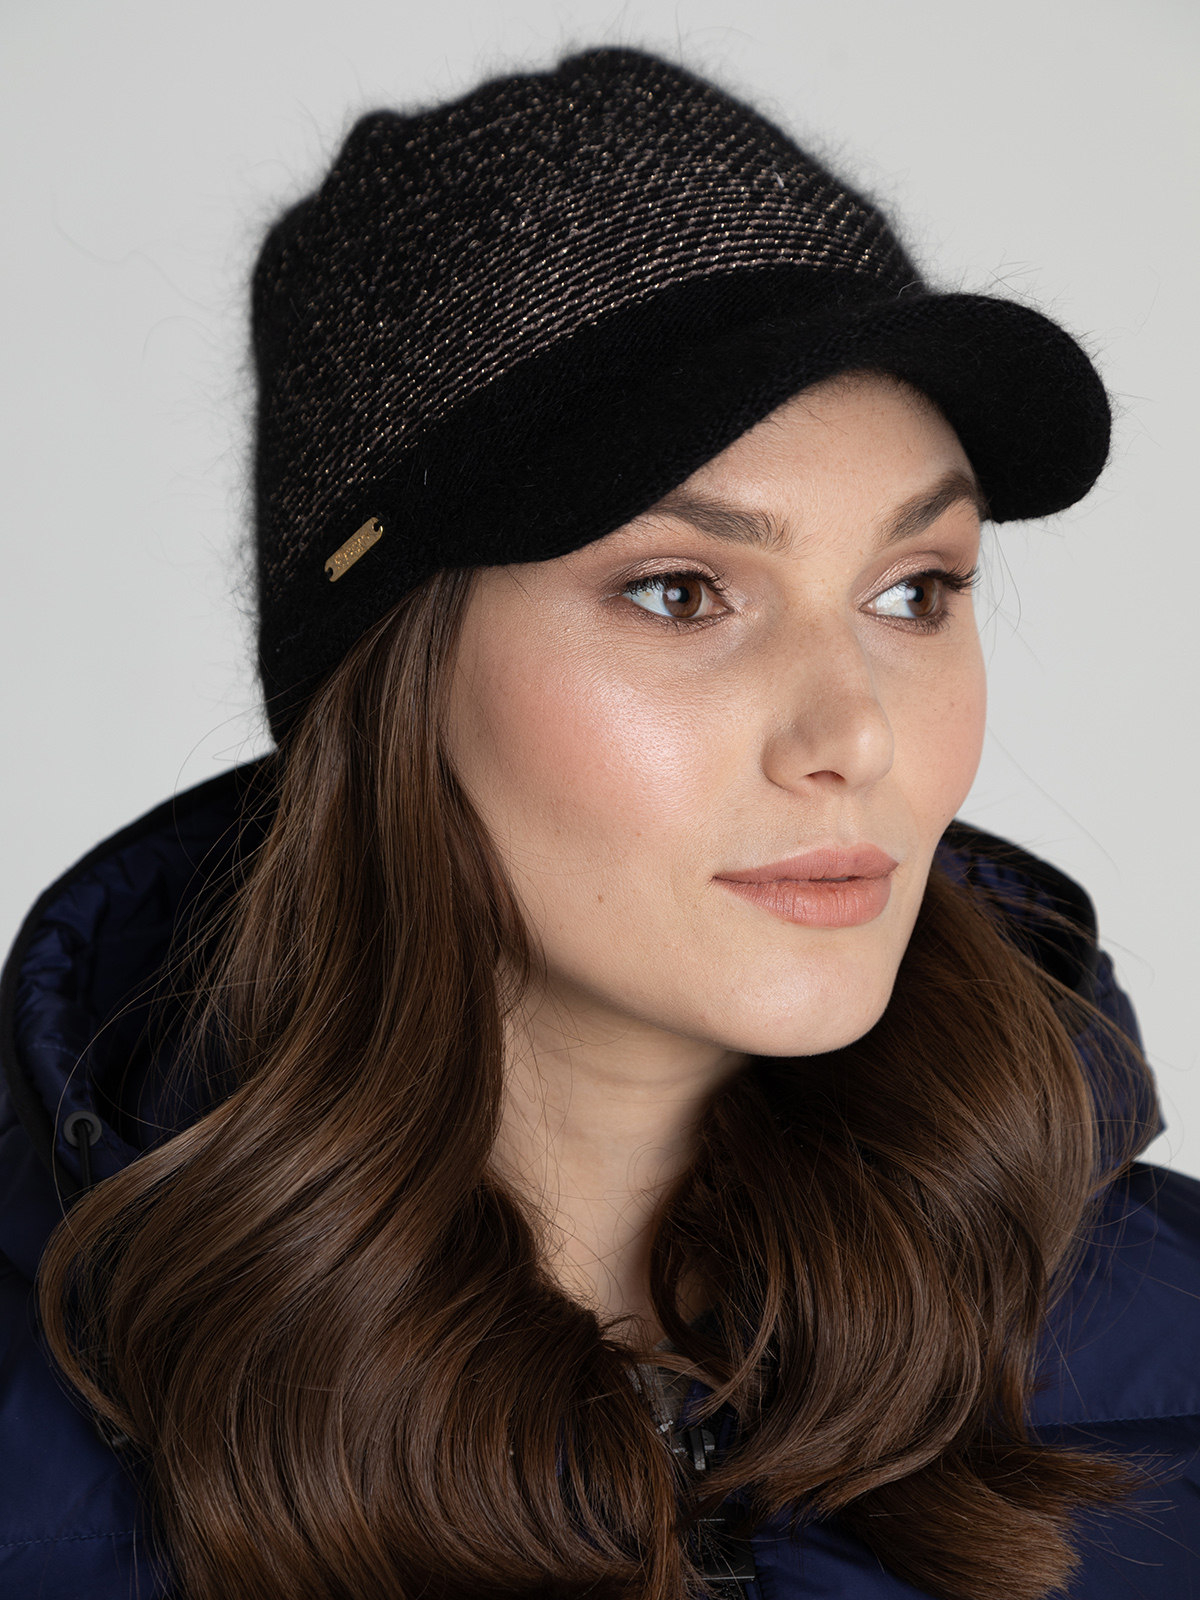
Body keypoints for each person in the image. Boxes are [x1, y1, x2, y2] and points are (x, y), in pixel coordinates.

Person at [0, 45, 1196, 1600]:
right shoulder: (50, 1423)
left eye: (915, 592)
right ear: (393, 673)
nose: (854, 735)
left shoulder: (1163, 1343)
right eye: (683, 593)